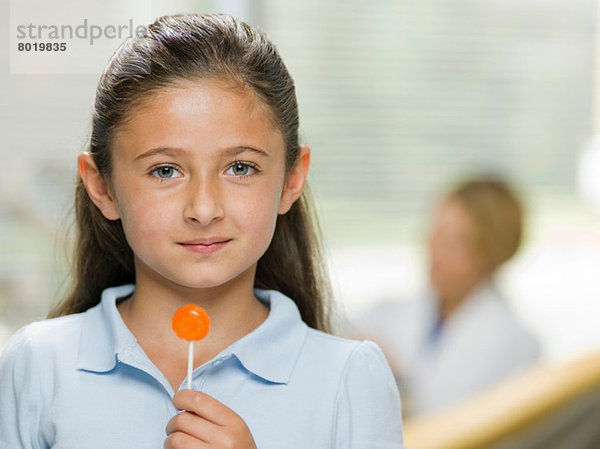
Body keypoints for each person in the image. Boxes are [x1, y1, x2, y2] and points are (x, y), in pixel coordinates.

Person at [0, 14, 405, 448]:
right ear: (102, 185)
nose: (204, 208)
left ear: (291, 179)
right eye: (165, 170)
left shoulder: (347, 378)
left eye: (240, 167)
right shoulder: (39, 366)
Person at [359, 178, 540, 417]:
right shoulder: (389, 312)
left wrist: (399, 386)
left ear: (491, 255)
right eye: (437, 231)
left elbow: (457, 427)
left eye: (456, 242)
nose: (436, 250)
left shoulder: (516, 345)